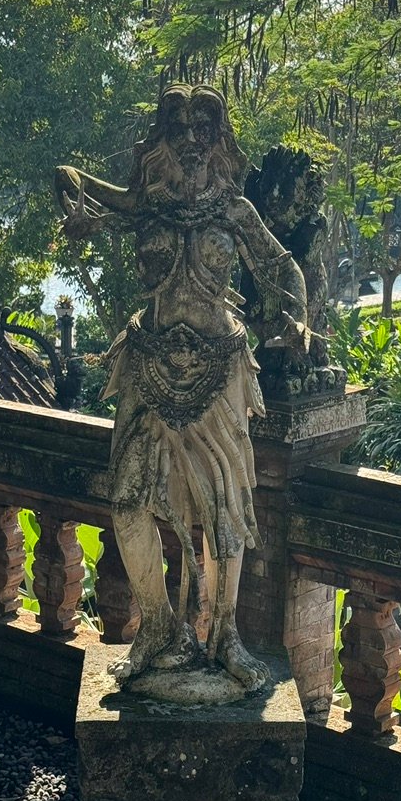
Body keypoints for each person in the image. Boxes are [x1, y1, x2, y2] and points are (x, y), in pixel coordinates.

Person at [56, 84, 308, 693]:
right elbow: (71, 182)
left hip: (220, 368)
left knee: (226, 506)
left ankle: (224, 634)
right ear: (161, 140)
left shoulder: (235, 211)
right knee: (127, 501)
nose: (192, 139)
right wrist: (73, 207)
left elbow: (283, 269)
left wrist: (296, 318)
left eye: (205, 127)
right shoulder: (145, 206)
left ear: (220, 140)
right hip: (148, 363)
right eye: (179, 127)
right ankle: (158, 628)